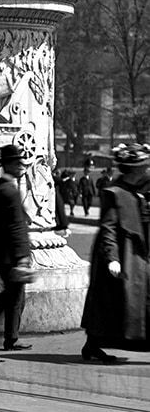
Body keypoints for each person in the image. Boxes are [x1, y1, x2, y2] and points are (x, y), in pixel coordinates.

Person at [80, 141, 150, 363]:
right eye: (142, 166)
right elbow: (108, 227)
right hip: (123, 254)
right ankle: (92, 345)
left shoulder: (143, 188)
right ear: (134, 170)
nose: (146, 169)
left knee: (139, 301)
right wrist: (112, 259)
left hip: (139, 252)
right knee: (110, 303)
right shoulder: (114, 192)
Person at [0, 143, 33, 351]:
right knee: (16, 295)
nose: (21, 166)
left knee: (9, 291)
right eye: (17, 163)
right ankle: (10, 338)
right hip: (10, 252)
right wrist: (23, 255)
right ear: (8, 165)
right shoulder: (10, 192)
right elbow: (17, 226)